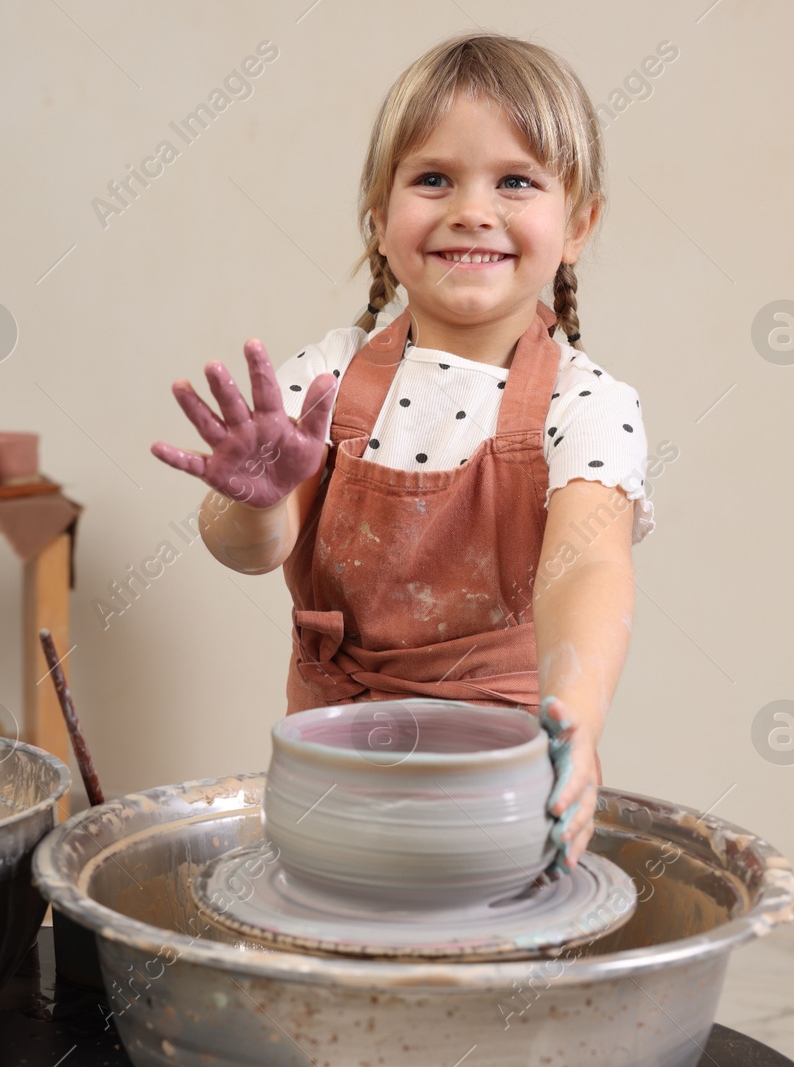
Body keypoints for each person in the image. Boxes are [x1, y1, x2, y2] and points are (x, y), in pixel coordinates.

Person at [151, 33, 654, 873]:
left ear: (579, 225)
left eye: (516, 181)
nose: (471, 208)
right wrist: (256, 496)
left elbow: (589, 567)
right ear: (381, 222)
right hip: (332, 778)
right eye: (433, 179)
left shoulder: (589, 404)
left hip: (500, 788)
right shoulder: (327, 379)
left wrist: (579, 718)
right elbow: (252, 550)